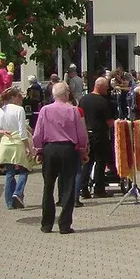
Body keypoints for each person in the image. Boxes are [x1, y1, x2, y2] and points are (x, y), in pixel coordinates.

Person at [32, 82, 88, 234]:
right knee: (69, 186)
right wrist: (83, 151)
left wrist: (38, 151)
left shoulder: (45, 110)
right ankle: (64, 224)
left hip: (50, 149)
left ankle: (46, 224)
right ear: (66, 94)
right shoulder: (73, 110)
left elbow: (38, 133)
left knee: (48, 186)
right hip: (68, 149)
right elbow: (81, 134)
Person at [0, 87, 36, 209]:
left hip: (6, 143)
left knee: (10, 173)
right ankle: (18, 193)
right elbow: (22, 131)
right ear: (13, 98)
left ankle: (9, 203)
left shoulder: (1, 110)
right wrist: (27, 147)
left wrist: (2, 131)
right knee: (24, 170)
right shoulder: (19, 110)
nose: (21, 99)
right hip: (18, 143)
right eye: (20, 97)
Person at [77, 77, 114, 199]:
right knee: (100, 162)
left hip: (87, 134)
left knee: (87, 162)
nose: (107, 90)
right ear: (100, 87)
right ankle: (99, 189)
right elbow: (109, 122)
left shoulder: (83, 99)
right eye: (106, 87)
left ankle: (83, 188)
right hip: (99, 134)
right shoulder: (103, 102)